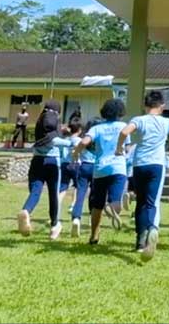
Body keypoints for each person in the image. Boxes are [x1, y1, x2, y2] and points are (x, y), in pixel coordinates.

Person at [115, 90, 169, 260]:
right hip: (157, 164)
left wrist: (119, 147)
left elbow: (124, 132)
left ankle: (140, 241)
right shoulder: (166, 122)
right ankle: (152, 229)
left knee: (140, 202)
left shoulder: (139, 120)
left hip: (139, 164)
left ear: (145, 105)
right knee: (151, 202)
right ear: (162, 106)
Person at [17, 99, 74, 240]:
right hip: (52, 163)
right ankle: (55, 225)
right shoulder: (53, 124)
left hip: (37, 161)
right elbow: (54, 141)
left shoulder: (40, 122)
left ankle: (26, 210)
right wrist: (72, 143)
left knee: (35, 191)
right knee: (53, 194)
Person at [74, 100, 128, 245]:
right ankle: (112, 208)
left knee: (97, 206)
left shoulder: (97, 128)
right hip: (118, 168)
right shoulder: (123, 126)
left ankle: (94, 236)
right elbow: (126, 147)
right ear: (121, 112)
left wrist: (76, 154)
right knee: (116, 200)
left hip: (99, 170)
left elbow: (84, 142)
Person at [70, 117, 101, 238]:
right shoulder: (100, 140)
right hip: (97, 168)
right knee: (94, 195)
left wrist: (75, 155)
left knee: (80, 194)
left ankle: (76, 218)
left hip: (84, 167)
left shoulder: (83, 139)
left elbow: (76, 151)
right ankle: (91, 220)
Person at [58, 120, 82, 220]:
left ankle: (57, 206)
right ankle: (73, 205)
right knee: (77, 186)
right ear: (79, 130)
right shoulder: (79, 140)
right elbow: (76, 150)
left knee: (63, 187)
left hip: (64, 164)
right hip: (76, 164)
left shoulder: (65, 140)